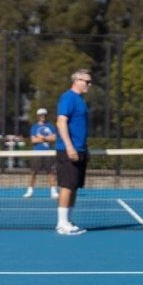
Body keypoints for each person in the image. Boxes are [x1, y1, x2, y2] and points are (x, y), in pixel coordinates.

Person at [55, 69, 92, 235]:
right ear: (77, 80)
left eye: (90, 82)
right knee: (67, 186)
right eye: (86, 81)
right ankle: (61, 224)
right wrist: (69, 147)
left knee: (74, 186)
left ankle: (68, 220)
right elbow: (61, 122)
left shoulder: (81, 100)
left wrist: (84, 148)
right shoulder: (68, 97)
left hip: (80, 150)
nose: (89, 85)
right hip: (68, 150)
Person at [23, 107, 58, 199]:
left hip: (49, 153)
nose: (43, 116)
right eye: (41, 115)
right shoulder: (34, 127)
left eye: (44, 115)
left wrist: (42, 137)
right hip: (37, 152)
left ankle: (53, 191)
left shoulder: (51, 126)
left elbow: (54, 138)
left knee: (51, 172)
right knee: (33, 172)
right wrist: (47, 138)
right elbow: (33, 140)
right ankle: (30, 191)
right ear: (38, 116)